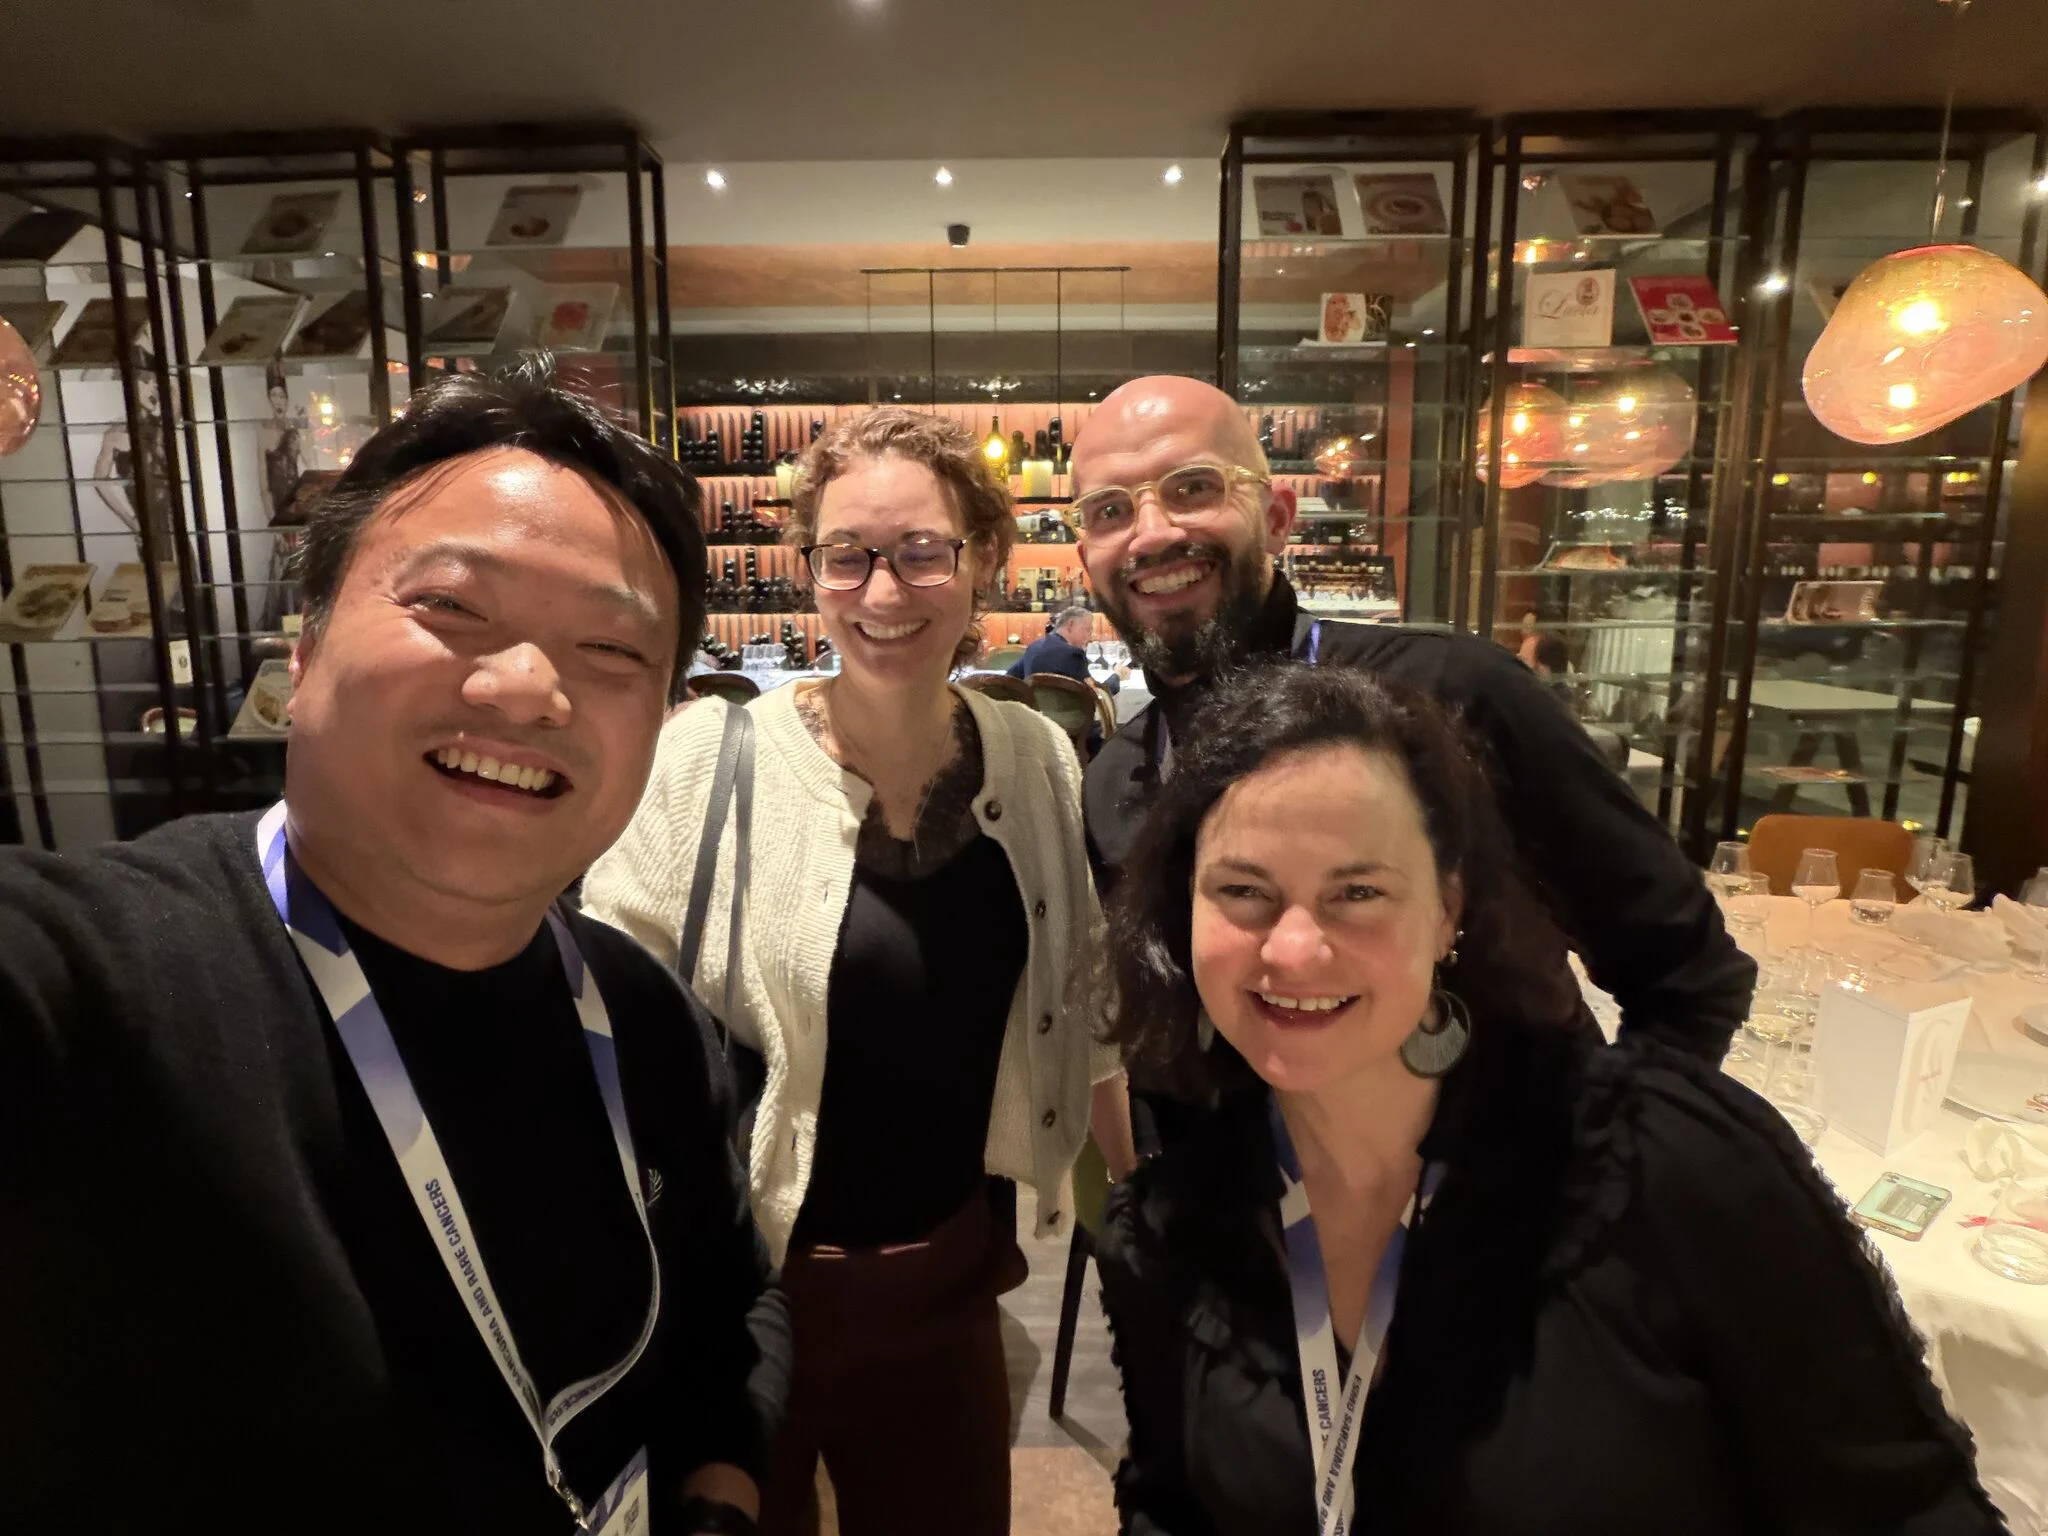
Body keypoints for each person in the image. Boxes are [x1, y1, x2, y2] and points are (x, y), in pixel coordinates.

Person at [0, 360, 788, 1536]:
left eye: (611, 651)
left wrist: (718, 1494)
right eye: (454, 608)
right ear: (304, 649)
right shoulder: (92, 986)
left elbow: (729, 1306)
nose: (528, 689)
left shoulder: (639, 1013)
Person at [1096, 662, 2001, 1535]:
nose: (1293, 949)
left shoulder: (1667, 1169)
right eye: (1244, 891)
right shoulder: (1173, 1230)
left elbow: (1906, 1509)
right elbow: (1168, 1509)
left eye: (1358, 892)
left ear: (1447, 913)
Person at [584, 406, 1132, 1536]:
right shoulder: (702, 761)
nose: (884, 592)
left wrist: (1137, 1205)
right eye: (848, 555)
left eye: (923, 552)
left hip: (948, 1288)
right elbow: (605, 1036)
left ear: (984, 560)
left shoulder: (1034, 758)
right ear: (809, 570)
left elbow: (1084, 1006)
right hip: (747, 1303)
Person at [1069, 375, 1752, 1072]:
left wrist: (1609, 1134)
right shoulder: (1114, 782)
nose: (1152, 533)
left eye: (1193, 488)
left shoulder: (1455, 693)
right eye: (1110, 510)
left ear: (1276, 517)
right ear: (1087, 559)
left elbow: (1688, 977)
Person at [1008, 603, 1121, 695]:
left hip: (1034, 715)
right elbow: (1095, 695)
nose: (1089, 636)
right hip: (1069, 716)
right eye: (1087, 629)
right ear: (1070, 625)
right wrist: (1117, 676)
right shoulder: (1074, 654)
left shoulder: (1033, 647)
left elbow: (1010, 678)